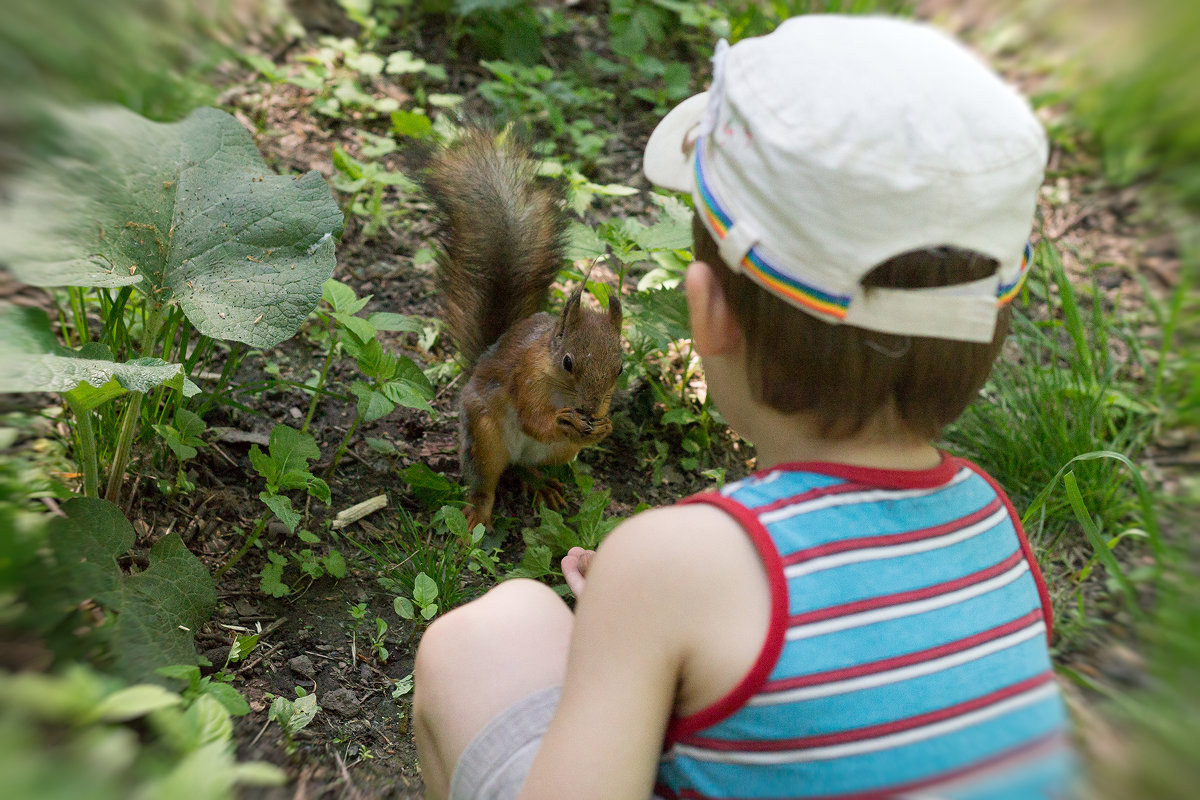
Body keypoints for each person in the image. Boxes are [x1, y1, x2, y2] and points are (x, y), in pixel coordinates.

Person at [412, 14, 1075, 800]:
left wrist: (633, 618)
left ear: (707, 315)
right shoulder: (997, 525)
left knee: (488, 633)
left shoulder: (667, 564)